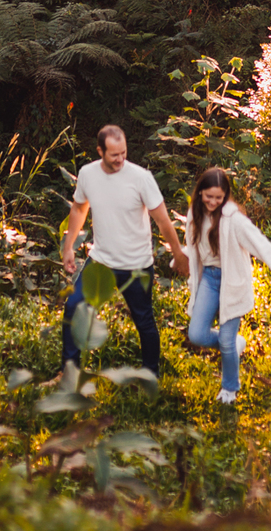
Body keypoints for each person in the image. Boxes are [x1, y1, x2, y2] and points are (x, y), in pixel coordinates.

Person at [60, 124, 188, 377]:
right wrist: (68, 247)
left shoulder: (141, 178)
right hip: (101, 262)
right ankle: (68, 372)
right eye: (114, 155)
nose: (120, 159)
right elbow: (78, 209)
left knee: (144, 320)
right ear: (100, 151)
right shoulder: (88, 174)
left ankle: (150, 374)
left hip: (136, 265)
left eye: (124, 153)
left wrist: (178, 253)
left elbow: (162, 220)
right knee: (73, 307)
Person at [185, 165, 271, 405]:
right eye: (209, 196)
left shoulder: (234, 220)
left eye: (219, 198)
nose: (213, 202)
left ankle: (229, 388)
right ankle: (235, 344)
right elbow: (194, 246)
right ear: (200, 193)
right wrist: (179, 256)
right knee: (196, 334)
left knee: (226, 342)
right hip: (208, 278)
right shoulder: (194, 214)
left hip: (232, 281)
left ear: (226, 196)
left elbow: (262, 247)